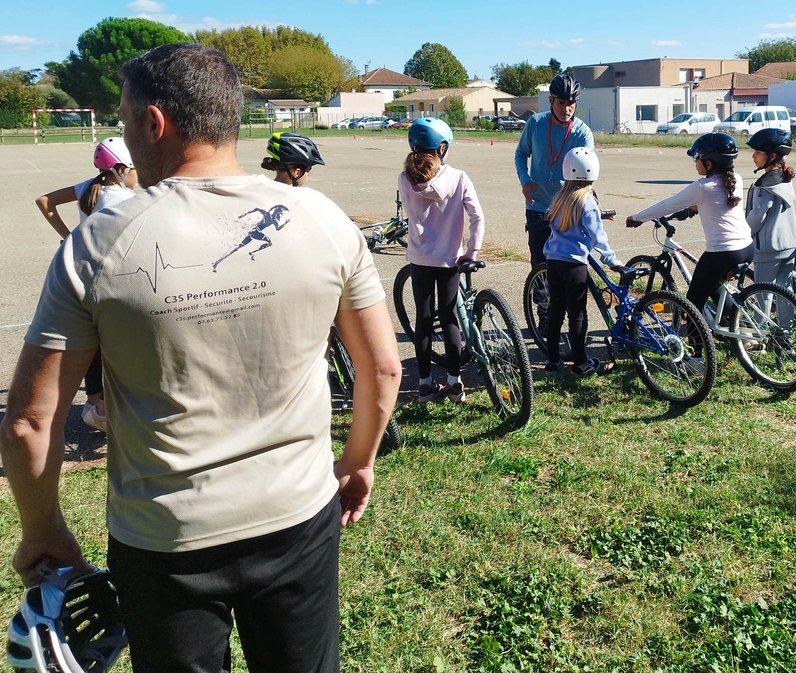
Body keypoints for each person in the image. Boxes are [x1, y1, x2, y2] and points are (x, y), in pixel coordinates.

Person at [0, 43, 401, 673]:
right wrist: (357, 461)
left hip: (164, 539)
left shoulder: (95, 245)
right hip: (297, 513)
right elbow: (382, 368)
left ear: (154, 123)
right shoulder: (324, 218)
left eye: (128, 121)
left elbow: (29, 422)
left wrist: (43, 530)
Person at [32, 136, 139, 433]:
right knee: (119, 341)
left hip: (84, 273)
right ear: (119, 169)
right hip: (113, 276)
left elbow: (44, 201)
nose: (138, 174)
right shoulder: (124, 201)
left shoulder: (90, 186)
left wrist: (69, 236)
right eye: (134, 168)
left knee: (92, 338)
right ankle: (114, 405)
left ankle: (95, 404)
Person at [626, 132, 754, 321]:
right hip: (746, 248)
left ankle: (696, 350)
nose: (695, 163)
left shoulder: (702, 186)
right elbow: (715, 202)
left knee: (692, 305)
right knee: (713, 284)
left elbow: (667, 205)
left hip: (722, 253)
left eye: (697, 158)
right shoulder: (736, 179)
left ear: (709, 163)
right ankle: (735, 326)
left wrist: (637, 218)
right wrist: (690, 210)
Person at [400, 117, 484, 403]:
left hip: (420, 257)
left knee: (423, 320)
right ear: (443, 148)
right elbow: (477, 217)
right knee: (449, 318)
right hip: (450, 260)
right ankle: (454, 382)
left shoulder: (405, 178)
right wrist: (471, 252)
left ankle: (424, 385)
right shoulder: (459, 177)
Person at [542, 147, 619, 376]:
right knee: (577, 314)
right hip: (575, 265)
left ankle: (553, 361)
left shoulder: (560, 197)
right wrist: (611, 259)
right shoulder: (587, 201)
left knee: (556, 311)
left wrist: (600, 214)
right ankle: (580, 362)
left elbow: (562, 218)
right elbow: (597, 236)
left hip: (553, 262)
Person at [514, 73, 594, 269]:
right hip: (538, 206)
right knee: (540, 266)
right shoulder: (535, 123)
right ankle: (540, 301)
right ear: (551, 100)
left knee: (567, 267)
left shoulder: (583, 133)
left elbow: (587, 174)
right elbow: (521, 154)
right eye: (561, 103)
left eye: (571, 103)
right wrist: (525, 180)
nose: (566, 109)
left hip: (567, 209)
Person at [744, 128, 796, 295]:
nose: (753, 155)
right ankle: (785, 323)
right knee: (786, 292)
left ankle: (761, 323)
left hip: (768, 249)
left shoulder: (765, 185)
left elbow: (757, 217)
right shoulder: (784, 178)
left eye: (758, 152)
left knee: (763, 293)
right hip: (789, 245)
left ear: (772, 156)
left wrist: (743, 234)